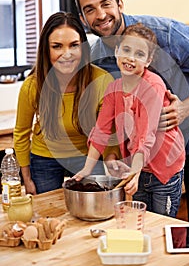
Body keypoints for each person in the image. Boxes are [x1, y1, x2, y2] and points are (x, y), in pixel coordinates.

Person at [73, 0, 189, 266]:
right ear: (82, 17)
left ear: (120, 3)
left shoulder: (167, 34)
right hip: (144, 163)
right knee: (150, 226)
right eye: (90, 9)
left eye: (106, 3)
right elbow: (108, 115)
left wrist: (185, 106)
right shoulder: (95, 54)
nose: (100, 14)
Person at [74, 23, 185, 217]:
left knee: (161, 221)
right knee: (141, 219)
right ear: (117, 50)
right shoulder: (113, 89)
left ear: (148, 60)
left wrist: (135, 172)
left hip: (164, 168)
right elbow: (101, 131)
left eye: (140, 54)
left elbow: (146, 134)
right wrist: (86, 169)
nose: (131, 58)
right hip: (137, 167)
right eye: (126, 49)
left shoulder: (153, 86)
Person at [14, 11, 117, 195]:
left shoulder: (102, 81)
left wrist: (111, 159)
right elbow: (21, 133)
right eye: (57, 46)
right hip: (45, 157)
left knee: (90, 213)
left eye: (74, 45)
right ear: (47, 49)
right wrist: (27, 179)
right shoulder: (32, 85)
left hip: (88, 157)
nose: (66, 54)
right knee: (49, 214)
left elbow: (107, 131)